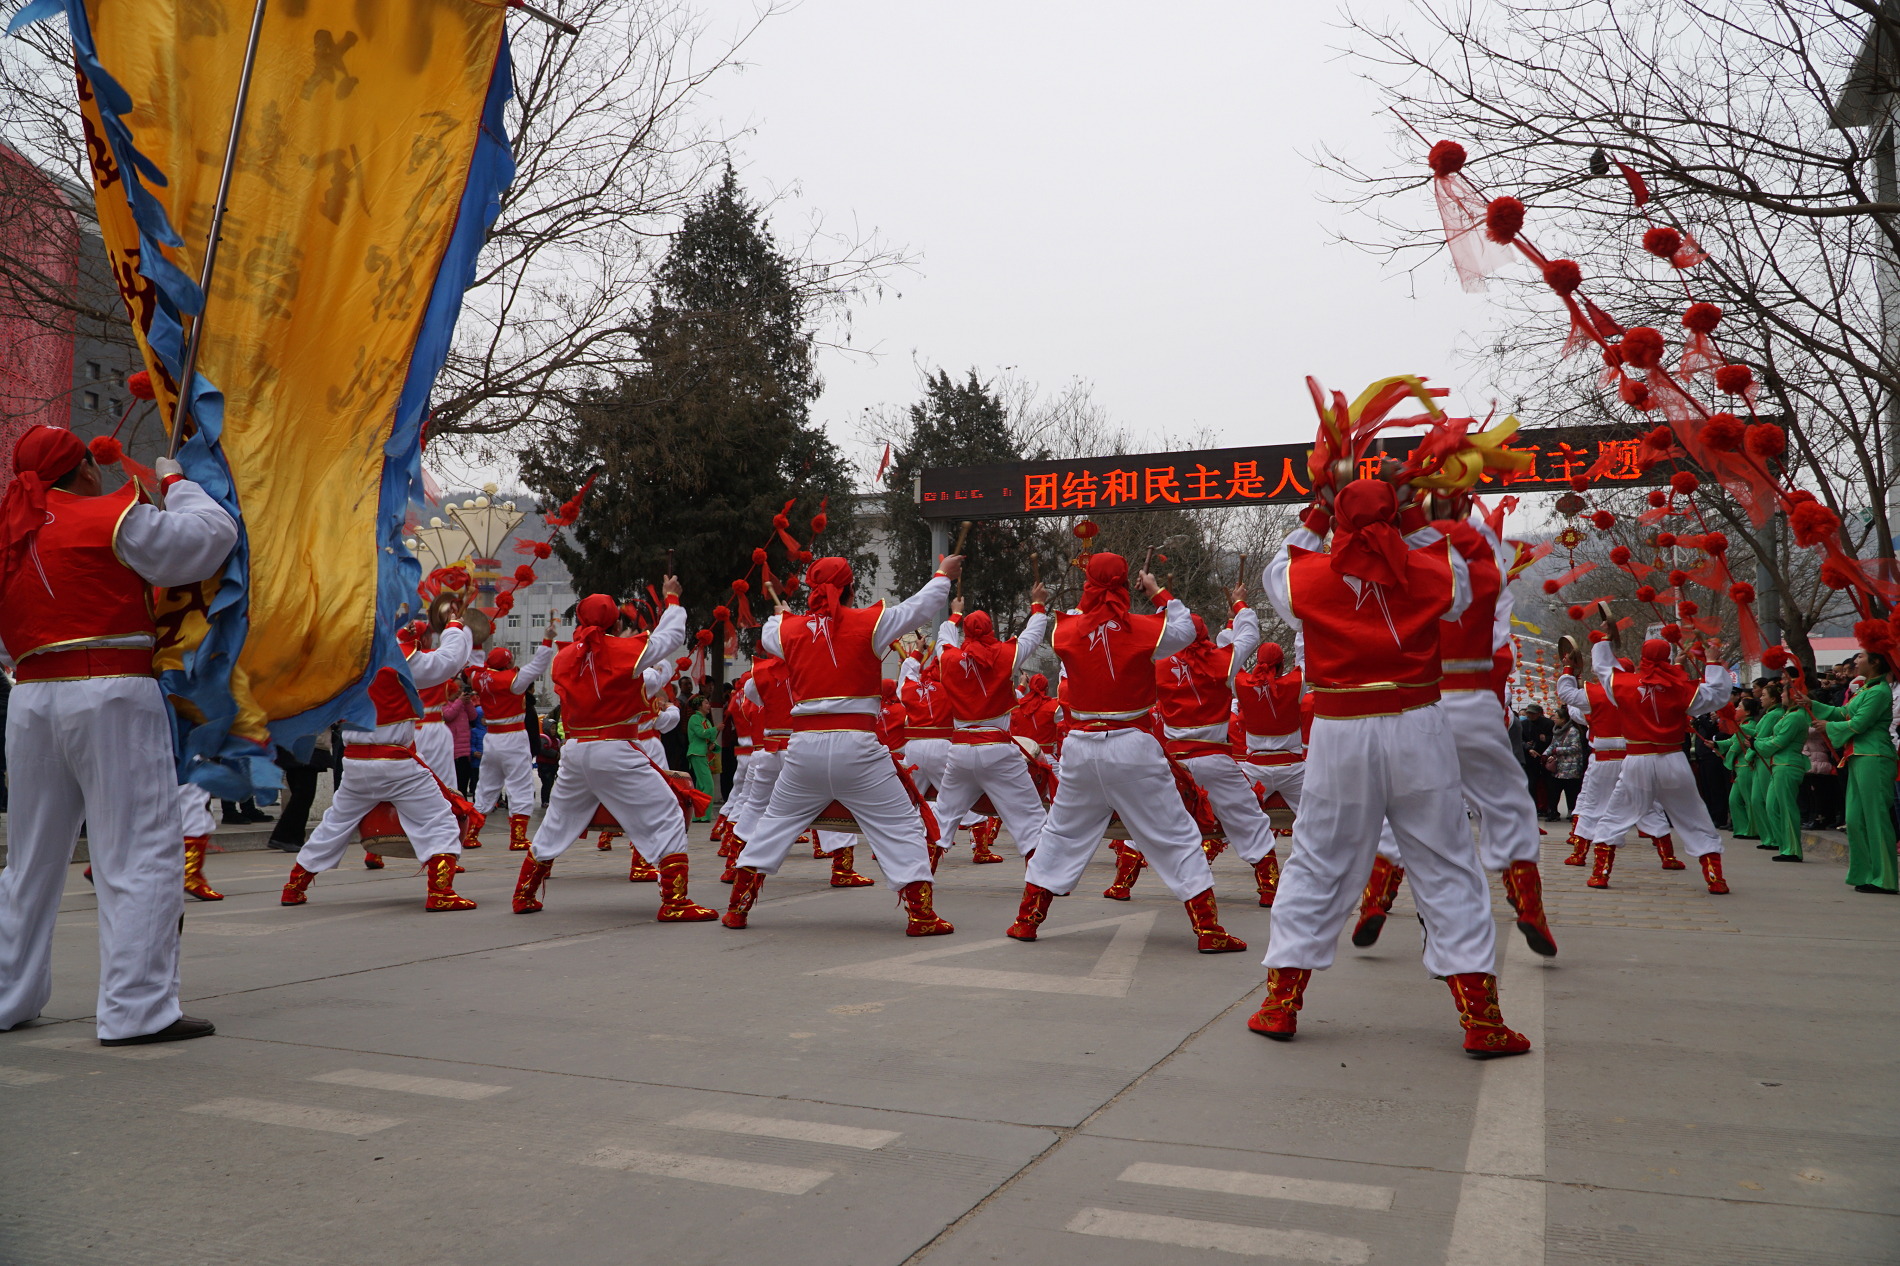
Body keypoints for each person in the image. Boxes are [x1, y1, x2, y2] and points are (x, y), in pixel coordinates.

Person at [1250, 479, 1530, 1057]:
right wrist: (1411, 519)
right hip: (1418, 725)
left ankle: (1280, 1002)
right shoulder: (1431, 570)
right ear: (1399, 518)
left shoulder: (1304, 576)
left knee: (1316, 861)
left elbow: (1279, 567)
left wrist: (1320, 513)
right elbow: (1457, 582)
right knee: (1449, 862)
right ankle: (1482, 1018)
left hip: (1338, 731)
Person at [0, 427, 238, 1045]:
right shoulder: (109, 513)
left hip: (28, 698)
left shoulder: (9, 533)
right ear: (82, 469)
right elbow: (208, 542)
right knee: (137, 850)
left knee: (28, 862)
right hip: (109, 691)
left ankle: (8, 996)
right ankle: (137, 1009)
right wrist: (180, 485)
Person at [1003, 552, 1248, 955]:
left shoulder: (1064, 631)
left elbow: (1080, 621)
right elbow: (1186, 629)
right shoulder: (1146, 629)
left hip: (1080, 748)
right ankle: (1209, 930)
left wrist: (1060, 602)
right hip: (1132, 747)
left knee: (1060, 833)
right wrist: (1157, 591)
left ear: (1087, 586)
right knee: (1175, 835)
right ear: (1123, 585)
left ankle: (1026, 920)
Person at [722, 555, 962, 935]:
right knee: (900, 825)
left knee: (774, 824)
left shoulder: (785, 630)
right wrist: (943, 575)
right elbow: (920, 607)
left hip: (803, 749)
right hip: (859, 747)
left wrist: (783, 614)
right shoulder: (872, 622)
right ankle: (921, 916)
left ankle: (737, 908)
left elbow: (772, 632)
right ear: (851, 588)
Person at [512, 588, 718, 920]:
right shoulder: (627, 651)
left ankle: (523, 895)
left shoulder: (565, 657)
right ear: (616, 621)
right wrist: (673, 599)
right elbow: (671, 636)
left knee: (556, 821)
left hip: (576, 752)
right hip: (615, 748)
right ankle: (675, 902)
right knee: (668, 812)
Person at [281, 611, 478, 911]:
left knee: (333, 824)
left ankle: (295, 885)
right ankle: (440, 893)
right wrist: (453, 627)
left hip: (356, 761)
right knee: (440, 822)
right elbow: (447, 663)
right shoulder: (401, 657)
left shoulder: (343, 659)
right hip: (396, 762)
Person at [1139, 587, 1282, 908]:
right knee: (1250, 822)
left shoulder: (1157, 665)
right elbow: (1249, 632)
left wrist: (1160, 603)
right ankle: (1270, 888)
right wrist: (1239, 602)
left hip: (1175, 765)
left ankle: (1190, 887)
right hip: (1215, 757)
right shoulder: (1225, 658)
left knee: (1166, 825)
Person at [1576, 630, 1733, 893]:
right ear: (1668, 658)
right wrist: (1713, 662)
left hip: (1637, 760)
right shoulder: (1682, 688)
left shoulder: (1623, 684)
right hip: (1673, 759)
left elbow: (1603, 667)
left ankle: (1600, 873)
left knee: (1615, 816)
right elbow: (1717, 694)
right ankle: (1715, 879)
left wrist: (1604, 638)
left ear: (1642, 657)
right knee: (1695, 816)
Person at [929, 591, 1051, 865]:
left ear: (965, 635)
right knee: (1032, 823)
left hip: (959, 753)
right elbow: (1033, 636)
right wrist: (1038, 605)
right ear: (991, 630)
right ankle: (1043, 887)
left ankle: (919, 888)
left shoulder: (947, 658)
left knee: (940, 822)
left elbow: (943, 638)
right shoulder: (1006, 654)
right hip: (998, 752)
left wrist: (955, 614)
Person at [1808, 628, 1898, 893]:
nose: (1855, 661)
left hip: (1874, 756)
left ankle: (1885, 878)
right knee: (1856, 819)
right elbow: (1842, 711)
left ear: (1876, 662)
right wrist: (1811, 704)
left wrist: (1829, 727)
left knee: (1876, 818)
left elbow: (1858, 724)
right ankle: (1865, 873)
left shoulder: (1880, 691)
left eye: (1861, 656)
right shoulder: (1865, 690)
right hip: (1858, 756)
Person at [443, 680, 477, 796]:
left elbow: (473, 716)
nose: (459, 690)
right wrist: (459, 702)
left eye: (461, 688)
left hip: (465, 750)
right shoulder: (444, 703)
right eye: (456, 687)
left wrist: (468, 703)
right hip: (453, 750)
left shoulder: (462, 704)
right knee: (454, 784)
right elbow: (448, 715)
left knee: (463, 782)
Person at [687, 694, 717, 821]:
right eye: (706, 703)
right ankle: (704, 815)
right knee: (708, 785)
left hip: (703, 754)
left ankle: (697, 815)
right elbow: (700, 733)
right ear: (699, 706)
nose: (708, 705)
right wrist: (716, 729)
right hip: (697, 753)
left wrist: (712, 744)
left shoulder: (707, 721)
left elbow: (709, 737)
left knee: (700, 786)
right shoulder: (694, 718)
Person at [538, 710, 562, 808]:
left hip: (553, 765)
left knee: (550, 783)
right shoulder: (544, 739)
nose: (554, 730)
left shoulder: (555, 740)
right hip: (545, 766)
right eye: (552, 728)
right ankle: (545, 801)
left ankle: (547, 800)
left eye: (555, 729)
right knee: (547, 784)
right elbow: (544, 749)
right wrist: (556, 754)